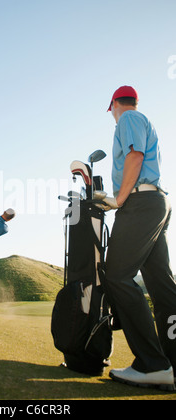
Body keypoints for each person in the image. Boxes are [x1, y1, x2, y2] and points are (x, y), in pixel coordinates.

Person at [97, 85, 176, 391]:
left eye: (112, 111)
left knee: (117, 276)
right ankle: (170, 363)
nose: (113, 116)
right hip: (157, 202)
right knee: (161, 285)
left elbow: (135, 156)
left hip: (141, 203)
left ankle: (152, 365)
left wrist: (118, 198)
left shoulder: (129, 119)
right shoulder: (144, 119)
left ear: (116, 104)